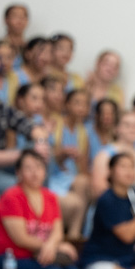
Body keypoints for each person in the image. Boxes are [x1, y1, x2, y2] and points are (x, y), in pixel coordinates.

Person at [0, 54, 51, 236]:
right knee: (12, 182)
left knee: (39, 165)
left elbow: (30, 126)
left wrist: (40, 143)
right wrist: (25, 155)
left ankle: (41, 225)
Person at [48, 89, 91, 239]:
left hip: (71, 178)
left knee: (83, 181)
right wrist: (63, 154)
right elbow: (48, 155)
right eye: (77, 103)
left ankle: (75, 234)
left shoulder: (83, 132)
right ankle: (73, 234)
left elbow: (83, 167)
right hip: (53, 176)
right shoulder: (55, 124)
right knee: (81, 183)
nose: (81, 108)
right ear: (67, 104)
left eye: (85, 104)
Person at [90, 111, 135, 197]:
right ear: (117, 128)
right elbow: (99, 188)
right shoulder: (105, 155)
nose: (133, 129)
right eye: (127, 125)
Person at [86, 97, 119, 163]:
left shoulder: (119, 135)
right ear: (97, 115)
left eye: (111, 113)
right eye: (104, 113)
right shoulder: (87, 133)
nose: (107, 117)